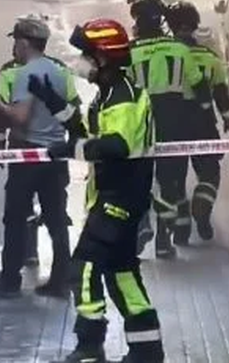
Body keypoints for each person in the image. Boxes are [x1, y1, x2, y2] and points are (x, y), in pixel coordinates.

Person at [28, 18, 165, 362]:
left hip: (120, 199)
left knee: (84, 267)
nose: (81, 62)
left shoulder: (123, 98)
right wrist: (54, 103)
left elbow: (116, 145)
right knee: (122, 274)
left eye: (86, 55)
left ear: (102, 58)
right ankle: (147, 349)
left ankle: (90, 346)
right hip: (118, 198)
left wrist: (70, 150)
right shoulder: (110, 94)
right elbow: (86, 130)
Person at [0, 17, 71, 298]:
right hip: (56, 152)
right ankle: (61, 279)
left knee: (15, 217)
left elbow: (20, 117)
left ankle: (10, 279)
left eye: (15, 42)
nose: (14, 48)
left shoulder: (26, 74)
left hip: (29, 152)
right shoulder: (59, 73)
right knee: (56, 218)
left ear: (24, 43)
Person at [126, 0, 206, 259]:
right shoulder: (179, 50)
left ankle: (142, 224)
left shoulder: (129, 52)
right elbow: (199, 86)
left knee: (138, 179)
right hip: (174, 123)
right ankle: (163, 238)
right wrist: (205, 116)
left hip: (139, 124)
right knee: (170, 183)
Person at [165, 2, 229, 241]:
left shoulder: (166, 58)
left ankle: (181, 226)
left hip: (172, 124)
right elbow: (220, 93)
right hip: (203, 123)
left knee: (174, 179)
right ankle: (202, 206)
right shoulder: (210, 58)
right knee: (209, 172)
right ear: (195, 25)